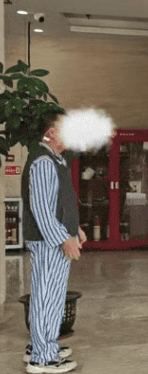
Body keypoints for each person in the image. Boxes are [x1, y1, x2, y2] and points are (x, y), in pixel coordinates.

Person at [21, 111, 85, 373]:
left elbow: (59, 203)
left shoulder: (55, 160)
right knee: (47, 298)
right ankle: (42, 358)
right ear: (50, 133)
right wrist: (63, 239)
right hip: (50, 242)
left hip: (55, 239)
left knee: (52, 297)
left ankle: (43, 346)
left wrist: (75, 228)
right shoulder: (44, 163)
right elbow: (42, 210)